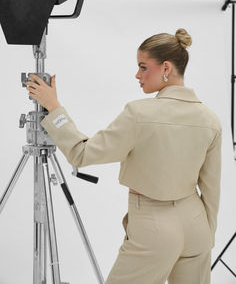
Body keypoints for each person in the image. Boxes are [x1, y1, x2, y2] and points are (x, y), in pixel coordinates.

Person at [25, 28, 222, 284]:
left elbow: (82, 153)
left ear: (165, 68)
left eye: (143, 67)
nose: (137, 75)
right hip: (197, 227)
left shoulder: (139, 113)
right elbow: (212, 189)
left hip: (154, 227)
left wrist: (54, 108)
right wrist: (207, 236)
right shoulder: (210, 120)